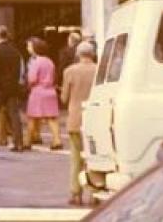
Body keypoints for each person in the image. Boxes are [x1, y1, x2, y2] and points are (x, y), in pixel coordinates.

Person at [61, 41, 97, 206]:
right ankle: (95, 191)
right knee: (95, 156)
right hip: (95, 117)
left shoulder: (70, 71)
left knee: (76, 157)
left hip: (75, 117)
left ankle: (76, 193)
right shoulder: (99, 69)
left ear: (78, 54)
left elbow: (64, 98)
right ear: (93, 54)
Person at [25, 37, 62, 150]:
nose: (28, 48)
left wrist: (28, 86)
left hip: (38, 92)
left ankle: (27, 140)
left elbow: (32, 79)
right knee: (51, 118)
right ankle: (57, 140)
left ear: (35, 49)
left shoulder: (36, 62)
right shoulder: (49, 61)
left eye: (30, 46)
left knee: (32, 117)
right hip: (50, 90)